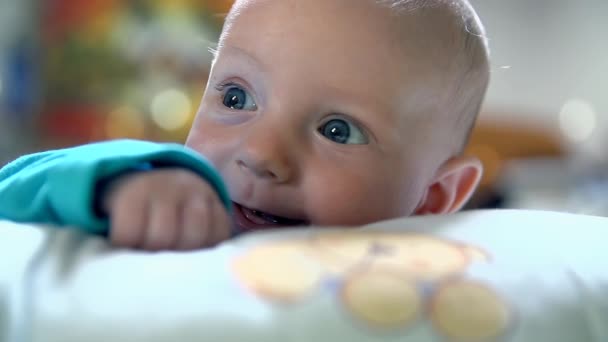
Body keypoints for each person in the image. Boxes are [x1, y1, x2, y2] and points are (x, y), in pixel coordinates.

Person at [0, 0, 490, 251]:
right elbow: (13, 190)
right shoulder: (157, 200)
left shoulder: (416, 293)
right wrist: (115, 182)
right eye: (236, 98)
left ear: (434, 197)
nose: (259, 153)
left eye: (338, 130)